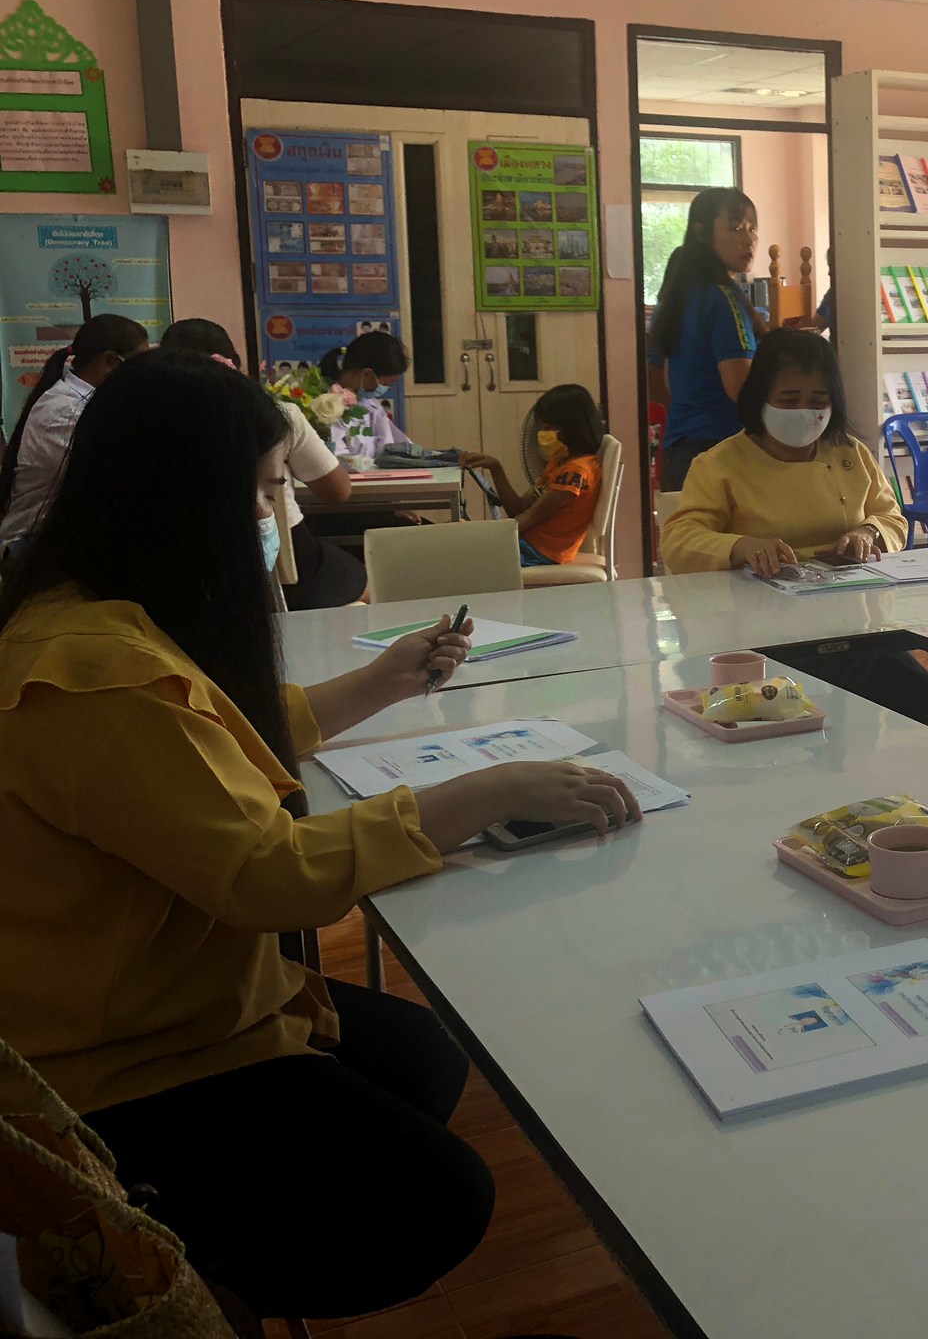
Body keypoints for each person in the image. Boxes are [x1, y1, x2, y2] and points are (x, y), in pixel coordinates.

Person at [0, 351, 643, 1320]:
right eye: (266, 491)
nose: (279, 514)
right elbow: (271, 877)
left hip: (172, 996)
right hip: (119, 1069)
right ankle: (187, 1263)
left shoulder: (91, 615)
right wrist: (491, 790)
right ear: (187, 498)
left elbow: (214, 742)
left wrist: (385, 680)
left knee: (425, 1058)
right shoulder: (96, 675)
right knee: (443, 1195)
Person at [660, 328, 928, 732]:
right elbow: (678, 541)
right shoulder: (719, 464)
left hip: (852, 623)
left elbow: (892, 518)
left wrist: (868, 533)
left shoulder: (850, 453)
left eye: (818, 401)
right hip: (761, 633)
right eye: (789, 399)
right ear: (760, 398)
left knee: (921, 699)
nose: (804, 412)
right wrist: (741, 546)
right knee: (811, 717)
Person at [159, 318, 368, 608]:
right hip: (283, 564)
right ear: (234, 364)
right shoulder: (276, 415)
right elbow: (338, 491)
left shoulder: (151, 424)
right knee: (365, 583)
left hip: (180, 572)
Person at [0, 313, 149, 555]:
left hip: (55, 542)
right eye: (138, 366)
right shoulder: (67, 411)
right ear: (111, 361)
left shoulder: (85, 402)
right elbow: (116, 478)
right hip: (30, 548)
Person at [649, 187, 760, 490]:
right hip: (722, 452)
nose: (748, 239)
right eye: (735, 228)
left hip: (679, 451)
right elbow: (743, 392)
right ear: (701, 232)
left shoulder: (680, 296)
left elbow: (664, 380)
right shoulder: (723, 299)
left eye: (752, 229)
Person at [461, 384, 608, 568]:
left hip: (537, 552)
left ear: (572, 426)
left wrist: (480, 535)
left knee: (456, 552)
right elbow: (518, 509)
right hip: (527, 544)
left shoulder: (576, 473)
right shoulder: (560, 462)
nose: (543, 432)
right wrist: (496, 468)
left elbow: (525, 521)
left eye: (550, 426)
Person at [319, 329, 411, 457]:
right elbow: (334, 458)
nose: (389, 388)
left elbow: (390, 448)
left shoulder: (371, 407)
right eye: (388, 383)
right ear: (367, 374)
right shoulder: (323, 405)